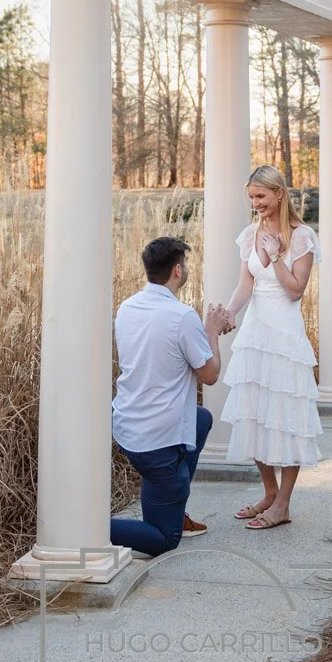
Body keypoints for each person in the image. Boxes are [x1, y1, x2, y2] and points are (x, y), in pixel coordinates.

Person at [220, 165, 322, 529]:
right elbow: (245, 284)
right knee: (255, 412)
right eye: (251, 197)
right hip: (255, 334)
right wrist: (229, 313)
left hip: (284, 334)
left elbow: (295, 290)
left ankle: (283, 504)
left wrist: (277, 255)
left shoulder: (302, 237)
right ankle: (268, 491)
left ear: (279, 193)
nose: (256, 203)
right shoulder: (249, 235)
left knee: (286, 415)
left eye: (261, 196)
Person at [110, 236, 224, 557]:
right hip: (158, 443)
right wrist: (212, 333)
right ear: (177, 270)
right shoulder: (182, 316)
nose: (186, 269)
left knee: (201, 420)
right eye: (185, 265)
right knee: (164, 539)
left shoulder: (127, 307)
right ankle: (88, 526)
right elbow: (211, 374)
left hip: (128, 428)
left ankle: (175, 497)